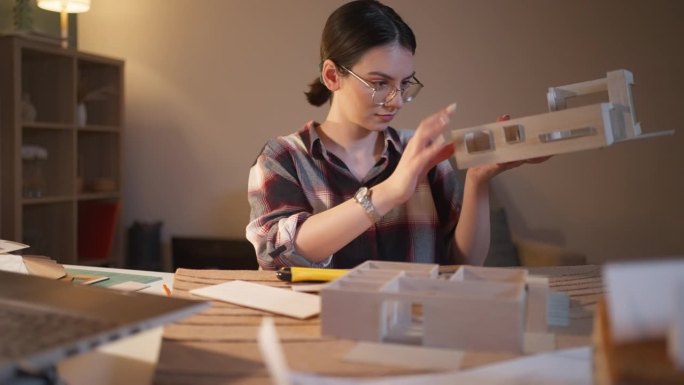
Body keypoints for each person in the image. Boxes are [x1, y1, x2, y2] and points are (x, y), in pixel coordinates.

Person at [246, 0, 543, 270]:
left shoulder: (421, 150)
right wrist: (390, 192)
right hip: (321, 324)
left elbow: (462, 263)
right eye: (380, 83)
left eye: (404, 84)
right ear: (332, 76)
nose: (396, 100)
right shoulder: (284, 157)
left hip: (414, 320)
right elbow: (275, 251)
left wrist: (479, 179)